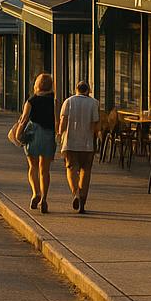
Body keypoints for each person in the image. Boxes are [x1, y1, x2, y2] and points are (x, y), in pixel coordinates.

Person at [16, 73, 58, 213]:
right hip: (48, 135)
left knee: (33, 166)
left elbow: (24, 119)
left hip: (33, 134)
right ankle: (44, 198)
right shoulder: (55, 100)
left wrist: (18, 133)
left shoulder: (31, 101)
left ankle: (36, 193)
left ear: (37, 85)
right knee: (44, 170)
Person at [59, 80, 101, 214]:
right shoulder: (94, 103)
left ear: (76, 89)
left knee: (71, 169)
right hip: (87, 144)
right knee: (86, 171)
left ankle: (75, 193)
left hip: (70, 143)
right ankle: (83, 201)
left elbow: (63, 121)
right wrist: (97, 137)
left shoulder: (68, 101)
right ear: (88, 91)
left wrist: (60, 135)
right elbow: (95, 124)